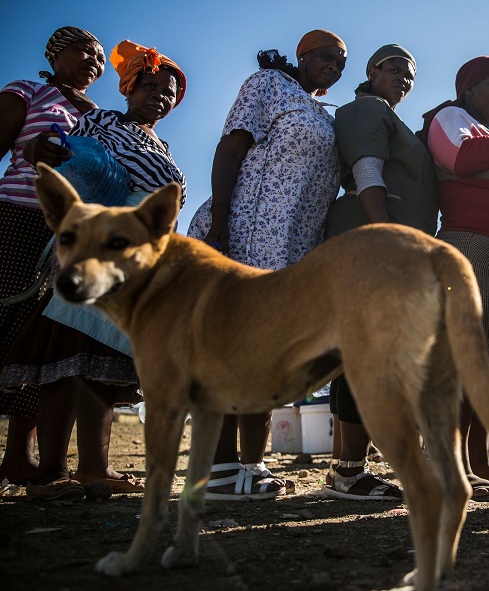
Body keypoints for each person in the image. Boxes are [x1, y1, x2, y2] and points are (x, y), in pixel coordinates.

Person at [2, 39, 187, 500]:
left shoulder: (162, 145)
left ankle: (94, 470)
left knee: (105, 362)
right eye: (151, 86)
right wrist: (43, 149)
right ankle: (47, 474)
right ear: (128, 88)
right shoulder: (104, 120)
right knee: (69, 355)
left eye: (169, 92)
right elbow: (64, 153)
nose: (160, 95)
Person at [187, 29, 347, 500]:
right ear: (301, 55)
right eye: (326, 57)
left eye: (341, 62)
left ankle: (250, 466)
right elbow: (231, 147)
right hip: (247, 230)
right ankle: (216, 469)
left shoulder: (320, 111)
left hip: (292, 249)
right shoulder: (269, 85)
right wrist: (219, 221)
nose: (334, 67)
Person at [418, 55, 489, 500]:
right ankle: (449, 468)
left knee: (484, 368)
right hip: (474, 248)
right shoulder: (450, 117)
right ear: (466, 88)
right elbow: (462, 159)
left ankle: (479, 464)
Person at [323, 44, 436, 500]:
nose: (404, 78)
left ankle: (347, 470)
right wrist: (386, 235)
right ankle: (349, 472)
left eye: (411, 74)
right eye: (395, 70)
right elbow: (368, 171)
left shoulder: (391, 117)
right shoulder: (367, 107)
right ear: (372, 71)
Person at [0, 27, 105, 486]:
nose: (93, 61)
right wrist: (29, 147)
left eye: (100, 58)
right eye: (84, 50)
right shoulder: (29, 91)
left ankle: (18, 456)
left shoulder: (98, 117)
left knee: (40, 345)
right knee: (3, 327)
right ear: (55, 54)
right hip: (18, 221)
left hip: (67, 238)